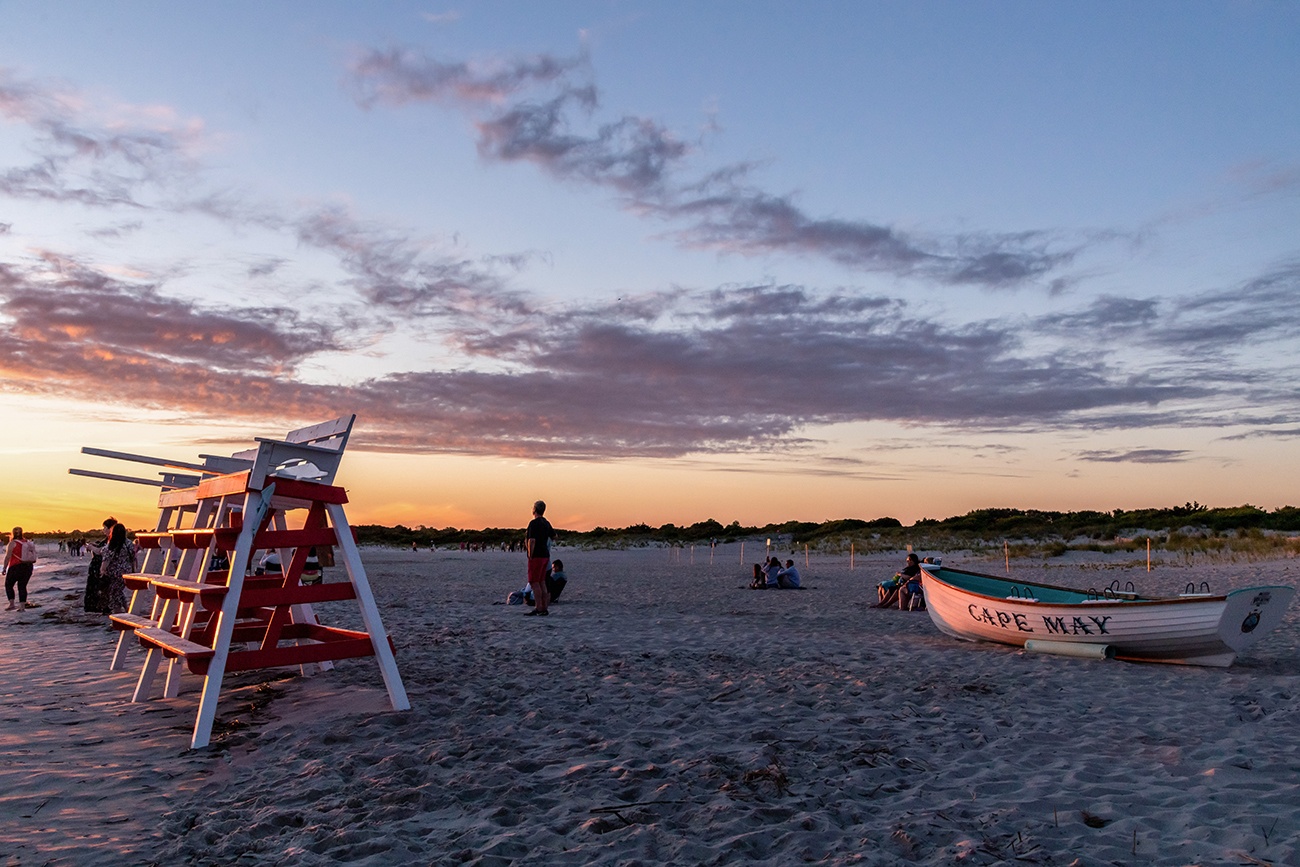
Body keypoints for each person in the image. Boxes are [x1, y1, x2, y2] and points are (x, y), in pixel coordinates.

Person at [523, 500, 556, 616]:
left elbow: (531, 541)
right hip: (545, 555)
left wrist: (530, 555)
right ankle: (544, 607)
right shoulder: (546, 523)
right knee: (542, 581)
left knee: (534, 582)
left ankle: (539, 607)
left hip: (536, 556)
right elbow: (554, 535)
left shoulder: (534, 523)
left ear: (534, 509)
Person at [100, 522, 136, 614]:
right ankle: (128, 609)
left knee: (114, 594)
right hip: (126, 572)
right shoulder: (128, 543)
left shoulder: (112, 544)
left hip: (114, 573)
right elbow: (133, 557)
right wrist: (133, 570)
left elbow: (106, 559)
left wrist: (102, 570)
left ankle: (118, 614)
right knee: (118, 591)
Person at [84, 517, 116, 613]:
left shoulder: (112, 540)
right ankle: (97, 606)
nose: (103, 530)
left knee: (100, 587)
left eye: (104, 528)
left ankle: (99, 607)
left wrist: (91, 547)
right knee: (97, 587)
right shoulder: (108, 539)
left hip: (102, 567)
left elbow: (102, 551)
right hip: (98, 566)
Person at [4, 527, 36, 611]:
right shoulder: (27, 542)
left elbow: (8, 557)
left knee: (8, 584)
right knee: (22, 586)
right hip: (28, 566)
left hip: (16, 567)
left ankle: (12, 604)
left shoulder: (12, 543)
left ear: (13, 533)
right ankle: (22, 607)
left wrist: (4, 568)